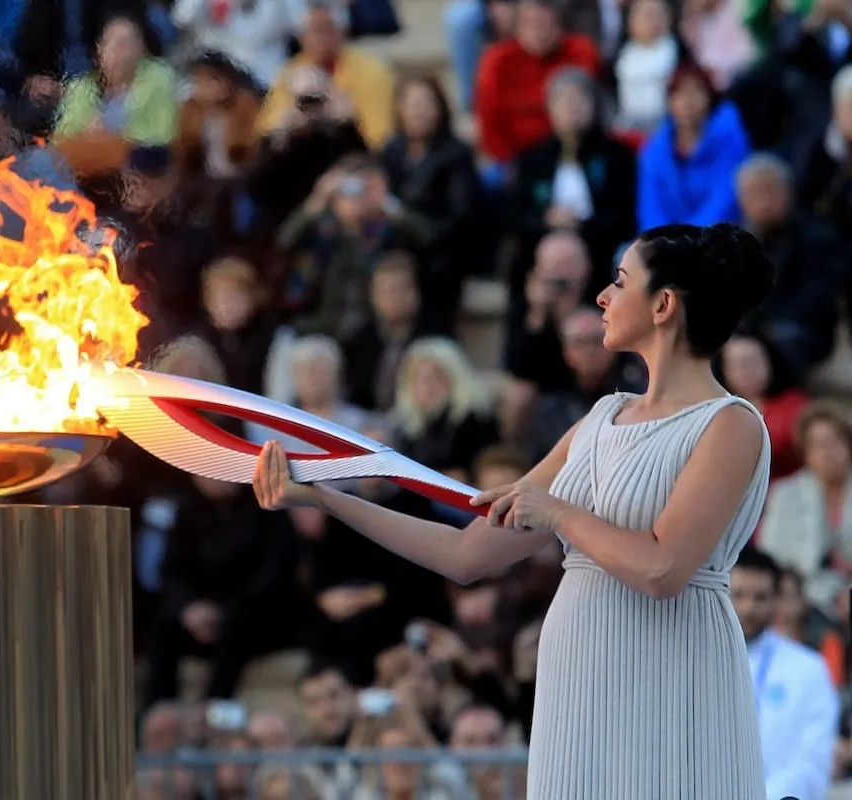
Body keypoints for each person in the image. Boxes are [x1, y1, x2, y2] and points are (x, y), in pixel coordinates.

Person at [252, 221, 777, 798]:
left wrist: (558, 514)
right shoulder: (600, 418)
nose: (602, 296)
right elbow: (467, 551)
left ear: (663, 305)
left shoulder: (729, 424)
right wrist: (325, 494)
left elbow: (662, 568)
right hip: (580, 669)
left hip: (675, 670)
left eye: (620, 282)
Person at [730, 547, 839, 800]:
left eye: (760, 597)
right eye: (739, 595)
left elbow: (813, 761)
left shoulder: (808, 669)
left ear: (777, 599)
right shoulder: (699, 661)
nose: (748, 608)